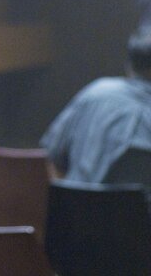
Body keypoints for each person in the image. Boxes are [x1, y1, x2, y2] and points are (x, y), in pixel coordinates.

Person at [41, 27, 151, 191]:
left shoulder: (95, 92)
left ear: (130, 66)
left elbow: (51, 157)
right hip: (135, 208)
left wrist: (68, 199)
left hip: (73, 206)